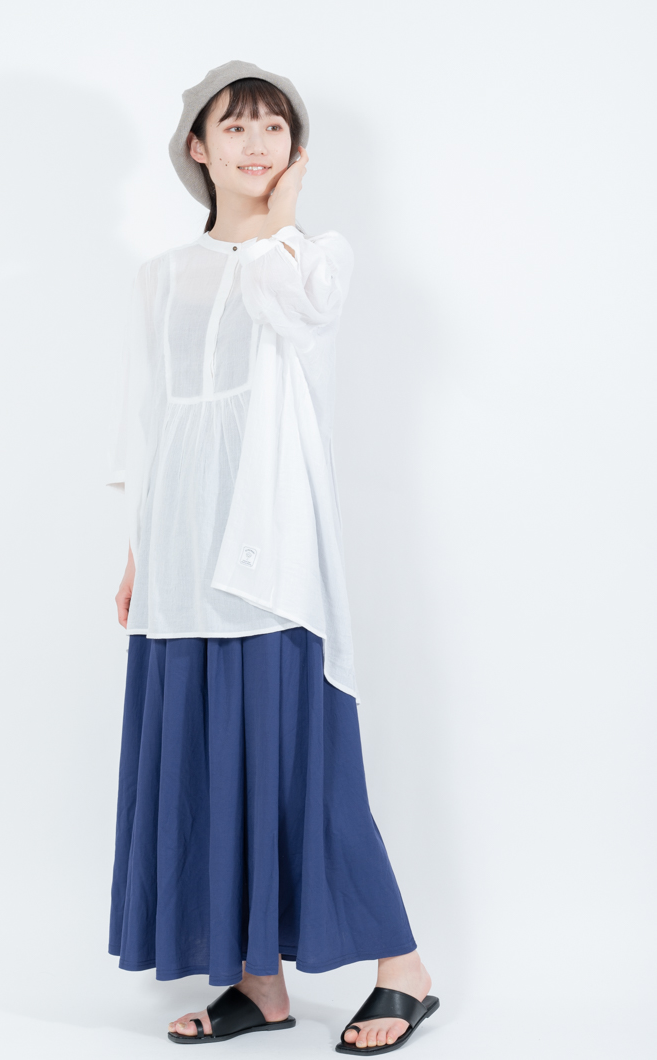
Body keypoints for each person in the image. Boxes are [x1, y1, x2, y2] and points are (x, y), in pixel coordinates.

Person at [106, 60, 439, 1053]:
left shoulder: (308, 256)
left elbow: (301, 315)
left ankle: (404, 972)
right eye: (236, 126)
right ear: (196, 146)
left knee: (303, 770)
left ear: (296, 152)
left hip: (272, 555)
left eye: (276, 128)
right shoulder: (160, 275)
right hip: (181, 555)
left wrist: (276, 217)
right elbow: (153, 420)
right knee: (206, 764)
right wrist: (138, 552)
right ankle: (259, 984)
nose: (257, 144)